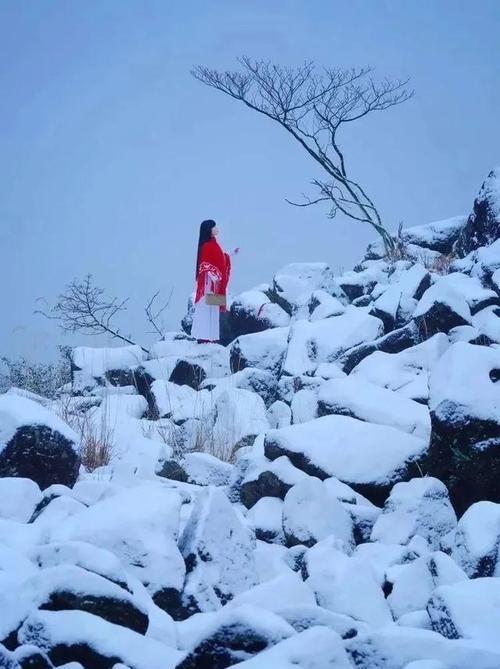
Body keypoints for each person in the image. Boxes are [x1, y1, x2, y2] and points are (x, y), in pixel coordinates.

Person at [191, 220, 239, 343]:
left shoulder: (214, 244)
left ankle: (211, 336)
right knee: (206, 310)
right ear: (209, 230)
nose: (216, 228)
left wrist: (231, 253)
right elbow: (205, 265)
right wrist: (215, 275)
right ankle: (203, 336)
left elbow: (220, 258)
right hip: (208, 285)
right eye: (214, 227)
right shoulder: (207, 246)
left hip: (215, 285)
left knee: (213, 310)